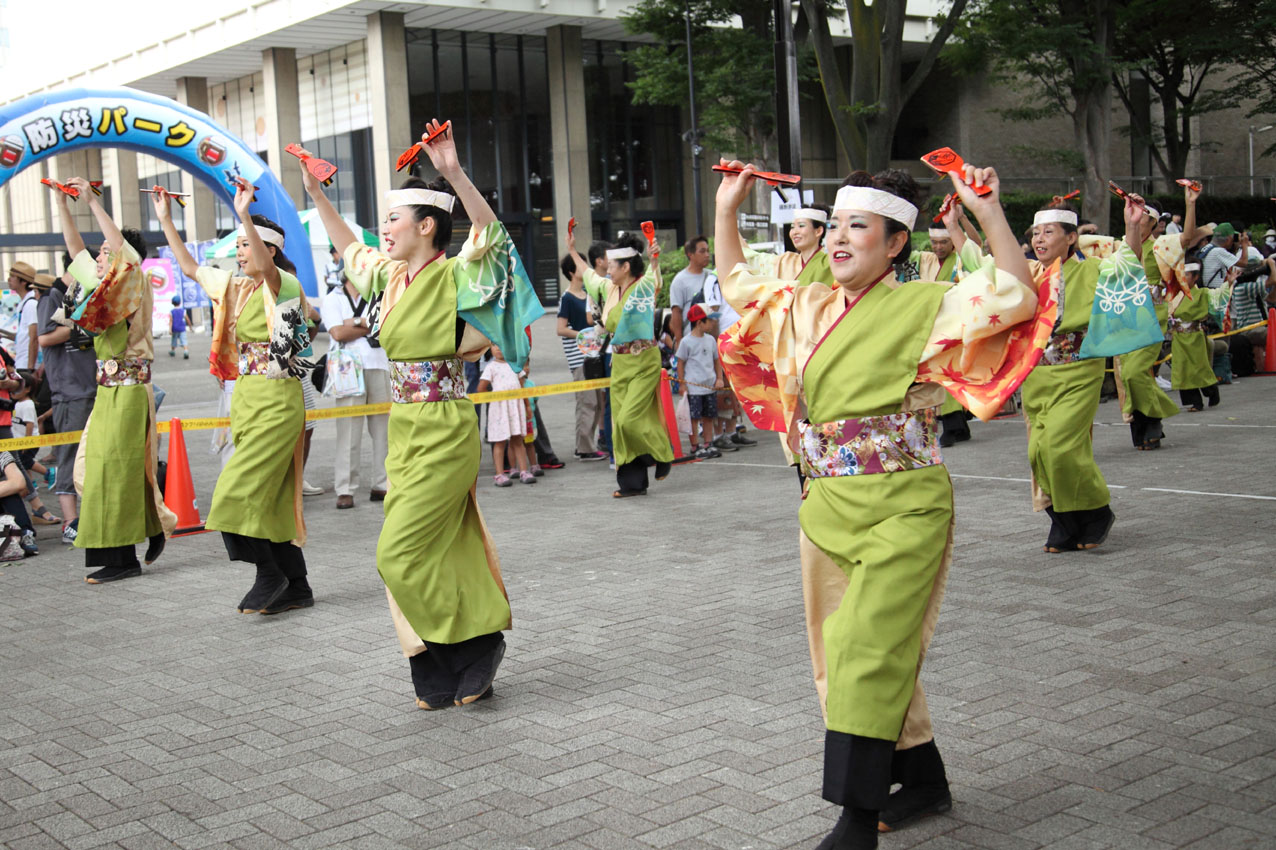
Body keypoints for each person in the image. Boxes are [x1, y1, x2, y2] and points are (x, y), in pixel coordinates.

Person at [715, 161, 1051, 850]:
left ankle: (856, 817)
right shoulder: (806, 304)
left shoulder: (927, 302)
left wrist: (988, 212)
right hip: (826, 504)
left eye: (856, 227)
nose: (837, 239)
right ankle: (923, 778)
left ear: (896, 243)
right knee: (843, 656)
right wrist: (726, 209)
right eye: (833, 225)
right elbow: (737, 285)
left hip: (905, 506)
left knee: (864, 647)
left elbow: (1014, 294)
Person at [306, 118, 541, 710]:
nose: (383, 230)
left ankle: (467, 643)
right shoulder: (390, 277)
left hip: (444, 424)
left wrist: (453, 172)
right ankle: (457, 649)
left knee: (396, 552)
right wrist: (315, 195)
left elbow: (489, 234)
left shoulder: (457, 272)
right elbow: (347, 247)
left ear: (427, 225)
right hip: (406, 426)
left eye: (394, 219)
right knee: (442, 545)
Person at [154, 185, 315, 614]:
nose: (240, 251)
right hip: (246, 397)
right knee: (273, 500)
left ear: (269, 250)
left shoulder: (283, 286)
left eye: (246, 244)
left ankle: (269, 571)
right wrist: (167, 219)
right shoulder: (235, 286)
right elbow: (189, 267)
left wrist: (245, 215)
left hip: (278, 401)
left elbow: (266, 266)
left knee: (230, 492)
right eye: (238, 244)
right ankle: (297, 587)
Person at [56, 176, 175, 583]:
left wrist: (91, 201)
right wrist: (63, 205)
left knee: (118, 473)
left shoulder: (132, 281)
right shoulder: (104, 287)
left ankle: (125, 558)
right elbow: (75, 253)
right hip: (109, 391)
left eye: (106, 252)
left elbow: (122, 252)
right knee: (91, 471)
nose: (100, 256)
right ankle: (146, 533)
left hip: (128, 391)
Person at [1020, 190, 1147, 554]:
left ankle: (1094, 510)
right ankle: (1065, 520)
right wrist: (958, 224)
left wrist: (1131, 226)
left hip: (1079, 369)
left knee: (1061, 446)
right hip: (1038, 376)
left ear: (1071, 237)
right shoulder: (1029, 274)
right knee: (1038, 452)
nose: (1039, 239)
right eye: (1035, 233)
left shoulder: (1092, 269)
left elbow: (1129, 264)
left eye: (1048, 232)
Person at [566, 226, 673, 498]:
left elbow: (655, 275)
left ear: (626, 266)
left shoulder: (644, 286)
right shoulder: (609, 288)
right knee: (619, 428)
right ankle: (632, 484)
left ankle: (662, 453)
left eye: (613, 265)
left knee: (627, 420)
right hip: (620, 363)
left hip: (644, 361)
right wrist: (571, 250)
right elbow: (587, 274)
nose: (607, 269)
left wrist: (655, 259)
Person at [1115, 196, 1185, 450]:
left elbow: (1187, 239)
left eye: (1142, 215)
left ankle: (1154, 417)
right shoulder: (1120, 246)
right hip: (1126, 316)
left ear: (1153, 221)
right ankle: (1143, 427)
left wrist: (1190, 204)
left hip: (1153, 316)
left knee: (1136, 372)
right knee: (1130, 375)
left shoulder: (1163, 247)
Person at [37, 254, 97, 544]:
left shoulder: (89, 295)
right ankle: (70, 523)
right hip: (69, 392)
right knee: (69, 456)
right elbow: (44, 338)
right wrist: (78, 323)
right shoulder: (53, 297)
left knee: (93, 457)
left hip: (94, 387)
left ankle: (91, 516)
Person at [321, 271, 390, 509]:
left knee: (384, 431)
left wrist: (354, 322)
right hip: (346, 368)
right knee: (348, 431)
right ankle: (345, 488)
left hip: (379, 364)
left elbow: (384, 327)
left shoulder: (379, 295)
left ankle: (382, 483)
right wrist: (366, 324)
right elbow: (338, 332)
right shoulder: (334, 297)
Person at [556, 254, 607, 461]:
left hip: (594, 355)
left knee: (596, 402)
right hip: (579, 358)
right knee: (586, 402)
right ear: (571, 272)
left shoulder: (589, 294)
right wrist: (583, 334)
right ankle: (584, 447)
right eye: (579, 265)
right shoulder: (567, 298)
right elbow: (560, 329)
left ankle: (589, 444)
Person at [478, 345, 534, 485]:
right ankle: (499, 474)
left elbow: (522, 388)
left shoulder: (515, 366)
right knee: (500, 441)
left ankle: (523, 471)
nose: (499, 349)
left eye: (503, 346)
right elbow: (481, 389)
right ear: (490, 348)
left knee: (517, 440)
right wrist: (495, 401)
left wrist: (527, 406)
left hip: (516, 407)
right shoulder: (491, 367)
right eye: (495, 346)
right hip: (500, 410)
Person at [676, 304, 725, 459]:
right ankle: (695, 445)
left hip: (709, 386)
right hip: (694, 387)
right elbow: (680, 363)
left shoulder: (710, 340)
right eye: (710, 321)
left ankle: (708, 443)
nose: (713, 324)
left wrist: (719, 378)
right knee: (694, 418)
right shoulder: (686, 342)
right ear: (699, 322)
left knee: (709, 416)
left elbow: (717, 360)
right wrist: (682, 383)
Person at [668, 235, 712, 343]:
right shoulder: (680, 280)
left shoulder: (712, 276)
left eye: (707, 251)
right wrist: (679, 341)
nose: (707, 255)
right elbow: (676, 312)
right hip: (692, 339)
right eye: (702, 251)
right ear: (690, 255)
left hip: (711, 339)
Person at [11, 260, 41, 370]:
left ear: (23, 282)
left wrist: (30, 369)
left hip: (28, 364)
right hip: (22, 362)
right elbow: (23, 336)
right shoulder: (24, 303)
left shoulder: (31, 304)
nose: (9, 279)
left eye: (12, 276)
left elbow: (34, 338)